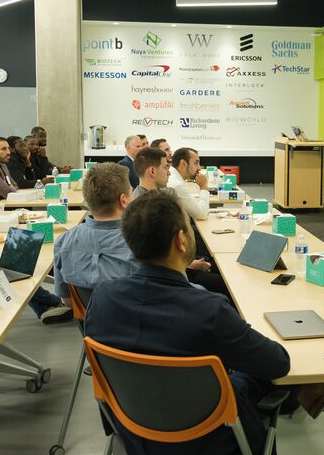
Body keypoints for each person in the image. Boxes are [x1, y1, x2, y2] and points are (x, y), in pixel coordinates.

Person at [84, 190, 291, 455]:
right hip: (212, 439)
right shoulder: (209, 311)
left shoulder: (102, 298)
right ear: (181, 240)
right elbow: (278, 363)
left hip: (136, 432)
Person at [0, 138, 72, 324]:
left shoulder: (1, 166)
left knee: (37, 254)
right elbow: (8, 191)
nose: (8, 152)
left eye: (8, 148)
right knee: (19, 265)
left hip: (12, 215)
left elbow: (16, 187)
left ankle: (53, 301)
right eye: (3, 149)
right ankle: (50, 303)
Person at [54, 163, 140, 304]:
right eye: (131, 192)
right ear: (123, 200)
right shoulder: (143, 241)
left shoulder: (63, 241)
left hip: (89, 322)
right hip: (137, 321)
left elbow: (68, 301)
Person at [168, 147, 208, 221]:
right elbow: (202, 214)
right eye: (196, 163)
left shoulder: (173, 175)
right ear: (183, 164)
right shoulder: (177, 185)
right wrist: (203, 187)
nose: (199, 168)